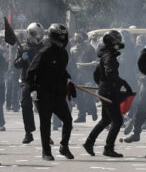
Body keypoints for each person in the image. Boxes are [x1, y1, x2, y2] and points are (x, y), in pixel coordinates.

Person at [26, 24, 75, 161]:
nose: (63, 39)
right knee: (45, 123)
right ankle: (46, 152)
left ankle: (64, 146)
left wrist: (69, 80)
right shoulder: (44, 52)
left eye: (64, 37)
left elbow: (61, 71)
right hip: (44, 94)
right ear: (53, 37)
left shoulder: (64, 53)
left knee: (68, 120)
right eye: (60, 37)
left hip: (58, 94)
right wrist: (33, 90)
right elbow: (31, 72)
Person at [84, 30, 133, 158]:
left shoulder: (107, 54)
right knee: (117, 120)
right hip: (109, 91)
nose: (118, 43)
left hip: (107, 89)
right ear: (109, 41)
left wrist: (104, 84)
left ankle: (89, 142)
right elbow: (110, 73)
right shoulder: (108, 56)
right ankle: (108, 148)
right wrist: (122, 82)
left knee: (106, 120)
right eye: (115, 41)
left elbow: (99, 75)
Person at [13, 22, 46, 144]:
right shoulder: (22, 48)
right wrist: (22, 59)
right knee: (25, 105)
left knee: (43, 108)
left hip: (40, 81)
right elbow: (16, 65)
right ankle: (28, 132)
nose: (38, 37)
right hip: (26, 81)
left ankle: (46, 133)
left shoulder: (45, 48)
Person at [70, 32, 99, 123]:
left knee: (88, 95)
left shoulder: (89, 48)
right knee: (79, 97)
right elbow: (72, 63)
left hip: (88, 75)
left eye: (79, 38)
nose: (77, 40)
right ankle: (81, 116)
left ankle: (93, 110)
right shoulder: (72, 49)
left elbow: (95, 59)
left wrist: (94, 62)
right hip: (78, 75)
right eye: (76, 38)